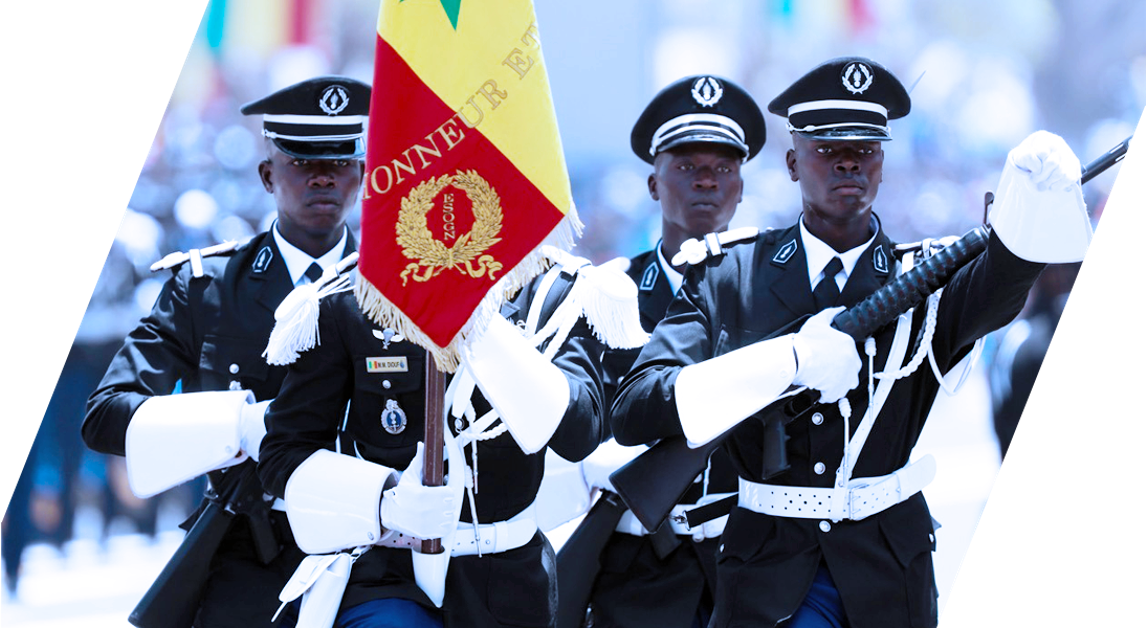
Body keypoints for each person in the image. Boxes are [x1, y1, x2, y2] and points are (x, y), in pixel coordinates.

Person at [610, 56, 1091, 627]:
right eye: (827, 149)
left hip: (887, 574)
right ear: (792, 163)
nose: (847, 163)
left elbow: (1001, 287)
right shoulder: (729, 276)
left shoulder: (925, 277)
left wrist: (1028, 212)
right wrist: (784, 360)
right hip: (767, 575)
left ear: (883, 164)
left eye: (864, 150)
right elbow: (636, 409)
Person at [82, 75, 370, 627]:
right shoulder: (206, 288)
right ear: (267, 174)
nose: (323, 178)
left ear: (361, 175)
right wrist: (234, 427)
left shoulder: (395, 294)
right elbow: (106, 415)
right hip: (248, 552)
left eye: (338, 162)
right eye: (304, 162)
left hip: (370, 556)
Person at [255, 242, 647, 626]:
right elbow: (284, 452)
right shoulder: (353, 294)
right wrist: (384, 501)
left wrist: (480, 318)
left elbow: (578, 434)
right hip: (386, 571)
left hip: (505, 580)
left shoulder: (556, 290)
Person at [555, 75, 766, 628]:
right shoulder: (606, 296)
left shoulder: (774, 292)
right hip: (640, 561)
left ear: (741, 187)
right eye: (687, 166)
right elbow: (579, 417)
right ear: (653, 183)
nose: (706, 182)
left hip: (753, 554)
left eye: (723, 169)